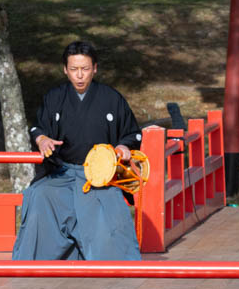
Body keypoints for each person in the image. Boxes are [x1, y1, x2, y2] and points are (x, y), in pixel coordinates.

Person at [12, 40, 143, 261]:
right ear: (65, 70)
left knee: (109, 205)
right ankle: (35, 262)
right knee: (39, 195)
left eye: (85, 69)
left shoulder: (111, 98)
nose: (79, 75)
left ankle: (115, 262)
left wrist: (123, 146)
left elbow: (131, 133)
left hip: (99, 177)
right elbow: (38, 128)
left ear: (95, 68)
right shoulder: (54, 97)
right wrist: (42, 139)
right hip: (62, 173)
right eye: (74, 69)